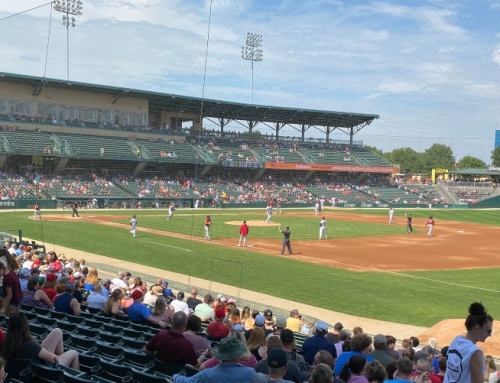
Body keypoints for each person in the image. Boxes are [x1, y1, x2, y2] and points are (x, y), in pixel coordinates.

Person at [2, 314, 80, 377]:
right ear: (25, 328)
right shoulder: (30, 345)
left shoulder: (5, 343)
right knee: (74, 353)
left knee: (57, 331)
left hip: (29, 371)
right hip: (45, 372)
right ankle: (78, 379)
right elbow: (53, 359)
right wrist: (53, 355)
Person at [444, 302, 493, 383]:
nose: (490, 334)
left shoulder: (456, 340)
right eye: (489, 330)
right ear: (477, 329)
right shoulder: (474, 353)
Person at [173, 337, 257, 383]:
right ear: (236, 356)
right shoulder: (251, 374)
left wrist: (175, 376)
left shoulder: (207, 374)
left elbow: (186, 381)